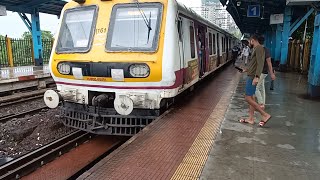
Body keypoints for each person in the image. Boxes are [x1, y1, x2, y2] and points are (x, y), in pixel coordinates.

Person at [239, 34, 271, 127]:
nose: (249, 43)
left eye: (249, 41)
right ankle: (251, 119)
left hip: (253, 76)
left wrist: (257, 77)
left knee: (248, 98)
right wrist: (246, 69)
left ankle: (264, 115)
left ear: (253, 40)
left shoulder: (259, 48)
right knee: (251, 97)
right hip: (251, 74)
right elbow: (255, 64)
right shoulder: (257, 49)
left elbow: (260, 64)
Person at [255, 36, 276, 109]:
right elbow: (269, 62)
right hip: (263, 72)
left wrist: (272, 74)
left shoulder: (259, 50)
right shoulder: (266, 50)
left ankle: (261, 103)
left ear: (257, 41)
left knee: (255, 88)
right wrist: (271, 73)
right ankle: (263, 103)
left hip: (261, 72)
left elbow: (269, 62)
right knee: (261, 87)